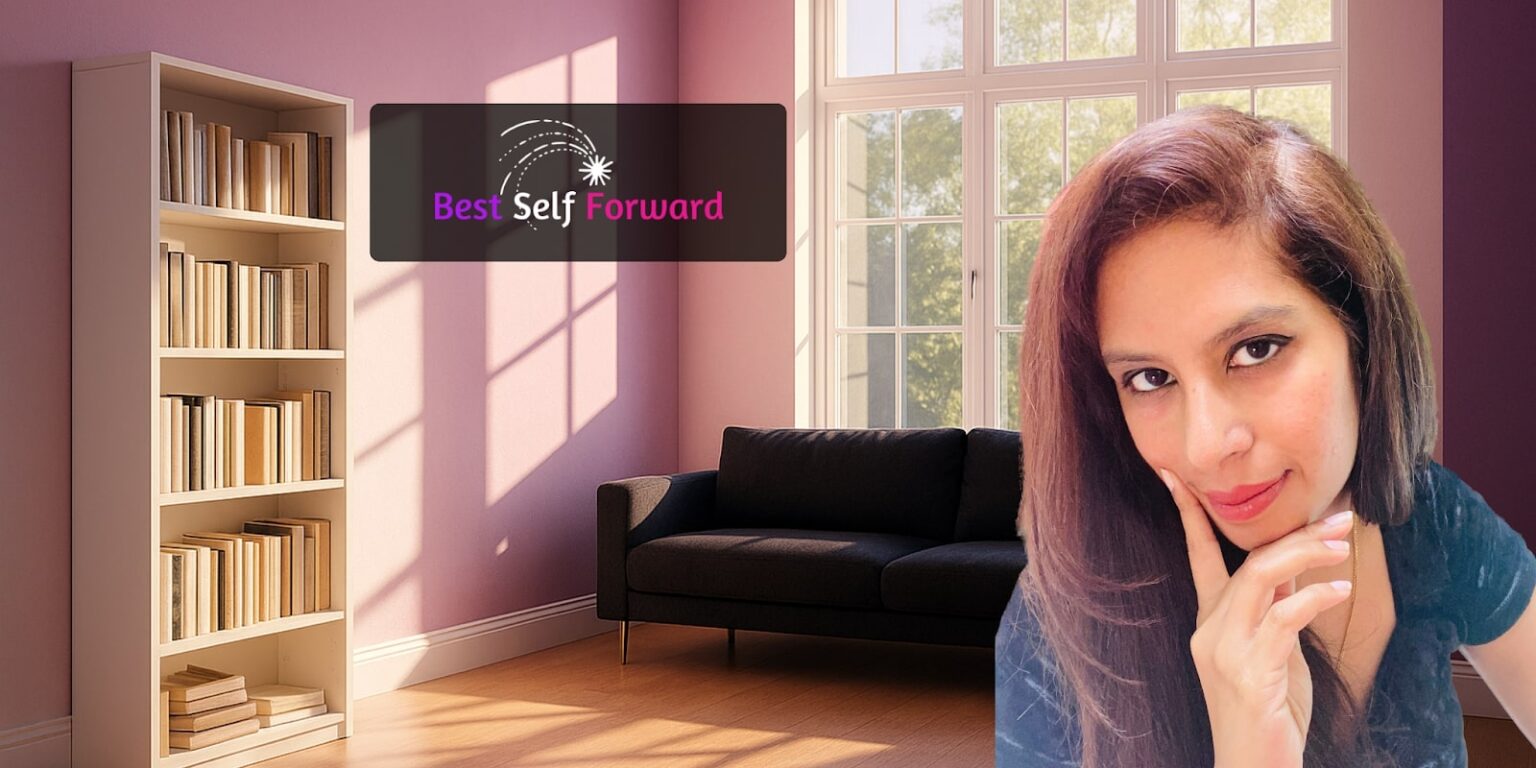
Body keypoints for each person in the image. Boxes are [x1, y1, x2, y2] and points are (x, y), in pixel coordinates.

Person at [995, 105, 1536, 767]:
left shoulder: (1434, 520)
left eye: (1256, 350)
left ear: (1361, 337)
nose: (1205, 445)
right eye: (1148, 377)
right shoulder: (1058, 628)